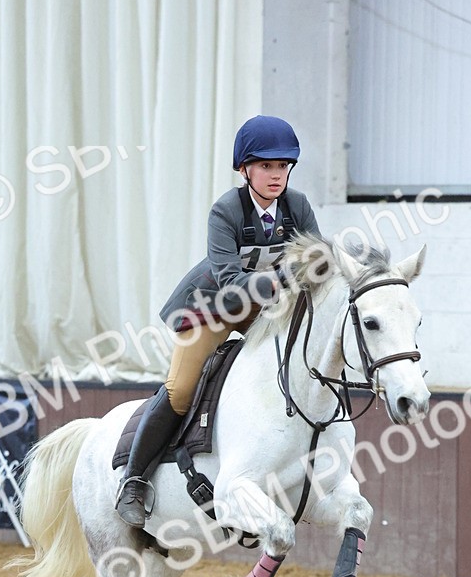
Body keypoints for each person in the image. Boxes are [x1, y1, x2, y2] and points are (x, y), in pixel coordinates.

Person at [115, 114, 321, 527]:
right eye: (265, 165)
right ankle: (134, 480)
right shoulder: (226, 210)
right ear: (244, 169)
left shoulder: (296, 206)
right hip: (209, 306)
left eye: (282, 166)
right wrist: (285, 276)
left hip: (261, 308)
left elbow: (317, 262)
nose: (275, 175)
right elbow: (230, 282)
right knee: (181, 389)